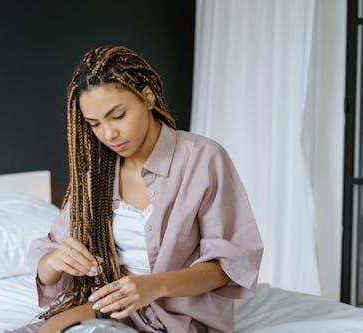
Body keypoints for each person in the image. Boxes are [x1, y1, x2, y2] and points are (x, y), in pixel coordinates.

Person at [19, 46, 263, 333]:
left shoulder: (203, 158)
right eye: (94, 124)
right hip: (111, 309)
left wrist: (151, 286)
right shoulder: (95, 175)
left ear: (147, 97)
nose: (108, 134)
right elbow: (47, 272)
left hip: (182, 317)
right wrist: (57, 258)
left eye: (118, 115)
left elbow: (227, 266)